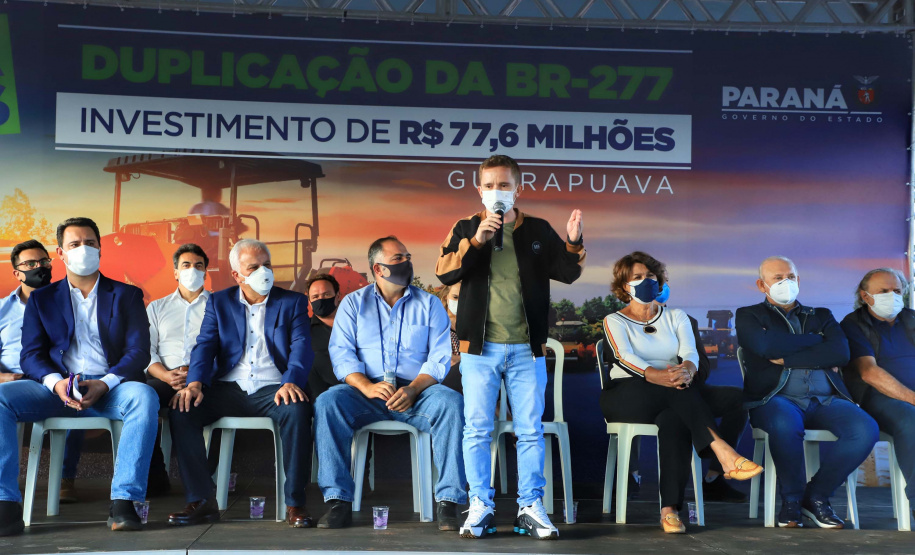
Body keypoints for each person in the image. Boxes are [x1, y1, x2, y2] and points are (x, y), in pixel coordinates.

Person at [435, 154, 585, 540]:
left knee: (530, 430)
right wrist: (478, 239)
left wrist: (572, 240)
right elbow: (445, 271)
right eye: (490, 185)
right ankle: (480, 507)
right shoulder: (466, 226)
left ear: (518, 187)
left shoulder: (537, 228)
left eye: (504, 185)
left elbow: (567, 273)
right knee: (477, 430)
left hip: (526, 347)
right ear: (479, 189)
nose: (497, 191)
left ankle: (530, 506)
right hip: (478, 349)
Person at [0, 217, 158, 535]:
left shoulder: (127, 295)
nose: (83, 249)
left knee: (145, 396)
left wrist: (105, 383)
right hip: (54, 389)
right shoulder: (43, 299)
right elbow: (31, 355)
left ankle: (124, 503)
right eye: (74, 244)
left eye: (90, 243)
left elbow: (138, 352)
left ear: (100, 248)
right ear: (61, 253)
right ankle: (5, 505)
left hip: (110, 387)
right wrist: (55, 383)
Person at [600, 251, 762, 534]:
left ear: (659, 280)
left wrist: (687, 368)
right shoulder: (614, 320)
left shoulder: (676, 316)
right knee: (679, 392)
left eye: (650, 276)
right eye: (637, 278)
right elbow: (623, 356)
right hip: (627, 394)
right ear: (625, 286)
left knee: (685, 413)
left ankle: (669, 510)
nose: (646, 281)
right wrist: (657, 375)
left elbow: (689, 351)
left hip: (675, 389)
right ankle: (723, 452)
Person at [314, 236, 465, 531]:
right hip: (366, 392)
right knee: (328, 402)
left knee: (451, 403)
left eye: (407, 257)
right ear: (378, 269)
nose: (406, 263)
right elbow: (341, 354)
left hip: (417, 393)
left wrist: (414, 388)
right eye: (398, 259)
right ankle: (337, 501)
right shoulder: (352, 305)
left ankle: (448, 502)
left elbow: (439, 357)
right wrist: (366, 387)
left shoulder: (430, 304)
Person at [167, 239, 314, 528]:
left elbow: (301, 346)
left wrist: (291, 381)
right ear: (238, 275)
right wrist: (194, 382)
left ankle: (295, 503)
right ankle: (201, 500)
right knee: (182, 408)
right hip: (228, 387)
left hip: (275, 387)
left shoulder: (292, 301)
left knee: (298, 410)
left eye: (267, 265)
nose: (264, 272)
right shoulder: (219, 302)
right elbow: (205, 345)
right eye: (254, 267)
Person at [737, 255, 878, 529]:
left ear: (798, 280)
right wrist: (817, 342)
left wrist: (787, 357)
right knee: (784, 423)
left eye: (790, 276)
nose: (785, 282)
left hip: (826, 400)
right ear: (761, 284)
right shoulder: (749, 315)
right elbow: (766, 348)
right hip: (775, 399)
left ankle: (816, 496)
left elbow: (841, 352)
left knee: (865, 429)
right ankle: (790, 500)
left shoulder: (821, 315)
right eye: (777, 278)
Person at [656, 271, 750, 503]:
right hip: (648, 394)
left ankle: (714, 477)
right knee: (675, 410)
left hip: (687, 389)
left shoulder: (685, 320)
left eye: (661, 282)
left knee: (738, 399)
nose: (657, 287)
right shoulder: (620, 321)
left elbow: (703, 365)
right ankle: (630, 476)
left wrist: (688, 375)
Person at [840, 268, 915, 521]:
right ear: (865, 296)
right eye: (883, 291)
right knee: (911, 420)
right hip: (879, 398)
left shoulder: (912, 319)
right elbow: (869, 373)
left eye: (896, 291)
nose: (892, 296)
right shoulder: (854, 324)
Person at [144, 243, 212, 493]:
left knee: (191, 408)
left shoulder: (219, 306)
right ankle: (156, 476)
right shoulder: (157, 307)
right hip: (164, 377)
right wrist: (164, 374)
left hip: (204, 379)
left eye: (198, 266)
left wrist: (196, 377)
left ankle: (207, 478)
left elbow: (226, 350)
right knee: (142, 399)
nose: (192, 270)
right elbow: (145, 349)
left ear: (206, 272)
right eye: (186, 265)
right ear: (175, 272)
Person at [305, 273, 343, 399]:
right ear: (309, 302)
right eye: (315, 297)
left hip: (360, 388)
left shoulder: (355, 325)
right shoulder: (304, 331)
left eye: (326, 294)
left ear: (337, 296)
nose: (321, 299)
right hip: (323, 397)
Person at [439, 283, 463, 394]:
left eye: (464, 297)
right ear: (446, 298)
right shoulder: (439, 324)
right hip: (444, 378)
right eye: (455, 297)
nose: (460, 302)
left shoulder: (473, 327)